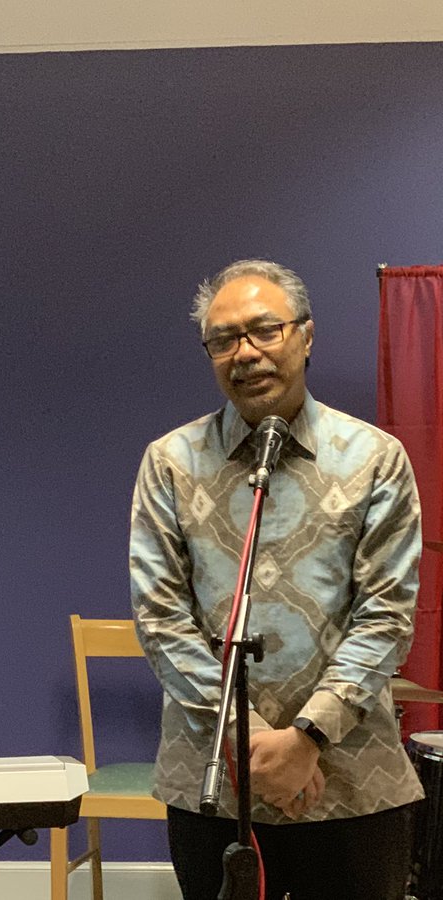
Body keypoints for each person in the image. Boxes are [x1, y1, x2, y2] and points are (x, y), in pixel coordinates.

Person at [129, 259, 424, 899]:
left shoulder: (375, 459)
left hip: (350, 782)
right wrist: (253, 740)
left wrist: (307, 738)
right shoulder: (171, 463)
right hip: (214, 781)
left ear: (306, 335)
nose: (245, 352)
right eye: (223, 340)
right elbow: (160, 619)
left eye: (265, 330)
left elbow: (386, 615)